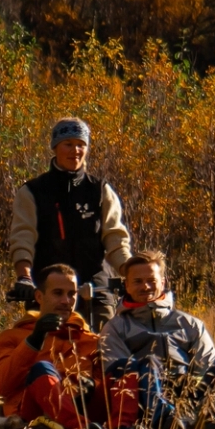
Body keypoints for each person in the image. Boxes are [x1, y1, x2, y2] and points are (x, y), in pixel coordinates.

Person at [0, 263, 141, 429]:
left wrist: (93, 384)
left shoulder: (91, 340)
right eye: (58, 293)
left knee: (126, 366)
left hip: (88, 412)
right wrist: (34, 341)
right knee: (42, 368)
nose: (66, 301)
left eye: (72, 294)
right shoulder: (13, 337)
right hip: (35, 414)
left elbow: (108, 383)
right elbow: (0, 385)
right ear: (39, 297)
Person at [12, 117, 131, 315]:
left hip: (96, 290)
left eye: (80, 145)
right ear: (55, 147)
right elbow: (23, 238)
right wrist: (24, 277)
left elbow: (116, 239)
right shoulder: (32, 191)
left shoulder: (100, 190)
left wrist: (132, 273)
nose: (75, 151)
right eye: (68, 144)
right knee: (46, 344)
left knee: (102, 344)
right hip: (49, 290)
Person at [106, 251, 215, 422]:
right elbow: (118, 374)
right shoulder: (116, 328)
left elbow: (206, 367)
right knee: (148, 363)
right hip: (144, 403)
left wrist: (186, 388)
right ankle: (166, 421)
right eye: (138, 282)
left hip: (188, 394)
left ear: (163, 282)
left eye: (151, 281)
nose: (145, 287)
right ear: (127, 285)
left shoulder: (190, 325)